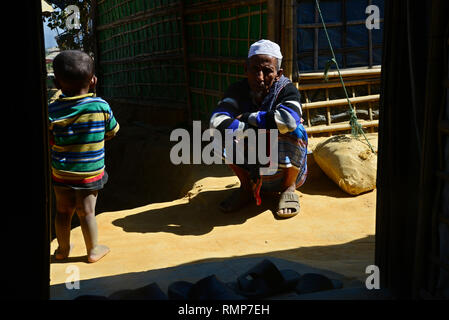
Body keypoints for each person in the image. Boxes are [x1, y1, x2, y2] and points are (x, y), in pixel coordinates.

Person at [209, 39, 308, 218]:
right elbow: (216, 121)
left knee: (296, 130)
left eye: (267, 71)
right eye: (255, 69)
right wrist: (255, 130)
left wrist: (248, 118)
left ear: (279, 73)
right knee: (218, 135)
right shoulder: (237, 90)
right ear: (245, 69)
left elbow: (288, 121)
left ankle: (288, 188)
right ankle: (247, 188)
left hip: (281, 169)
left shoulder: (287, 90)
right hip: (252, 163)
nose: (260, 77)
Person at [48, 50, 120, 263]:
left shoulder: (52, 110)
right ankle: (93, 250)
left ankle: (62, 250)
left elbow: (50, 138)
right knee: (86, 211)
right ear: (94, 80)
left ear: (56, 83)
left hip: (61, 172)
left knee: (62, 211)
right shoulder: (101, 106)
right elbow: (113, 132)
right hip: (89, 173)